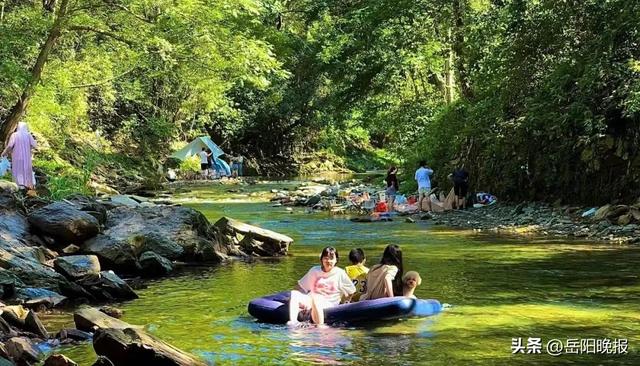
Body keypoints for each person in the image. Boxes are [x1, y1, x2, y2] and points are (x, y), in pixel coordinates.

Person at [288, 247, 356, 325]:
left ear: (336, 260)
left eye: (331, 258)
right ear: (322, 259)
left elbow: (352, 291)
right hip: (311, 300)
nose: (328, 261)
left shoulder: (340, 273)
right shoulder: (314, 270)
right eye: (326, 258)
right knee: (294, 293)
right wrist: (295, 300)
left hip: (329, 303)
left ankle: (320, 327)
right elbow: (300, 286)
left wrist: (344, 302)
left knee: (316, 298)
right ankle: (293, 322)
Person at [1, 121, 37, 189]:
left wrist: (4, 152)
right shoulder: (28, 135)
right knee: (26, 169)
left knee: (18, 170)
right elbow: (34, 145)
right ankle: (28, 186)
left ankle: (18, 186)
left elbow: (10, 146)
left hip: (16, 156)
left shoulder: (14, 135)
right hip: (27, 157)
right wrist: (30, 147)